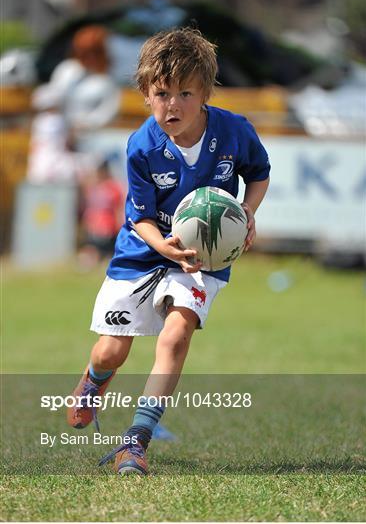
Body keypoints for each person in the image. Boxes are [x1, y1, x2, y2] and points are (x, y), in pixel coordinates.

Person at [67, 27, 270, 475]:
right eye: (161, 93)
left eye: (184, 93)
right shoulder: (142, 145)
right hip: (143, 250)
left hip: (204, 257)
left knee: (176, 336)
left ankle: (135, 442)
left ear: (205, 95)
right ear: (145, 94)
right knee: (110, 352)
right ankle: (92, 381)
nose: (172, 104)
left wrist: (248, 213)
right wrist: (165, 246)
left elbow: (259, 174)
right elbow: (138, 217)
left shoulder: (234, 132)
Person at [78, 161, 126, 269]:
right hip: (95, 227)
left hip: (109, 227)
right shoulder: (94, 187)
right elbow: (90, 208)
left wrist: (119, 225)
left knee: (107, 254)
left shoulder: (113, 187)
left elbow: (118, 208)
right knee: (91, 252)